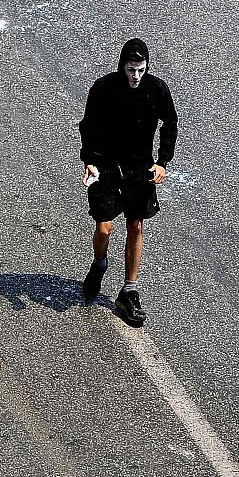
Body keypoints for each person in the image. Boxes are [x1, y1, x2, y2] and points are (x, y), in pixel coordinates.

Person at [78, 38, 178, 325]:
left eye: (141, 70)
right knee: (104, 226)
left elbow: (170, 123)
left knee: (135, 225)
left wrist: (162, 162)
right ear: (122, 66)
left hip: (139, 168)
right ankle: (100, 263)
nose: (136, 76)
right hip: (106, 166)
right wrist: (89, 162)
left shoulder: (157, 89)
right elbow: (88, 126)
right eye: (131, 69)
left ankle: (129, 291)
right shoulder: (103, 88)